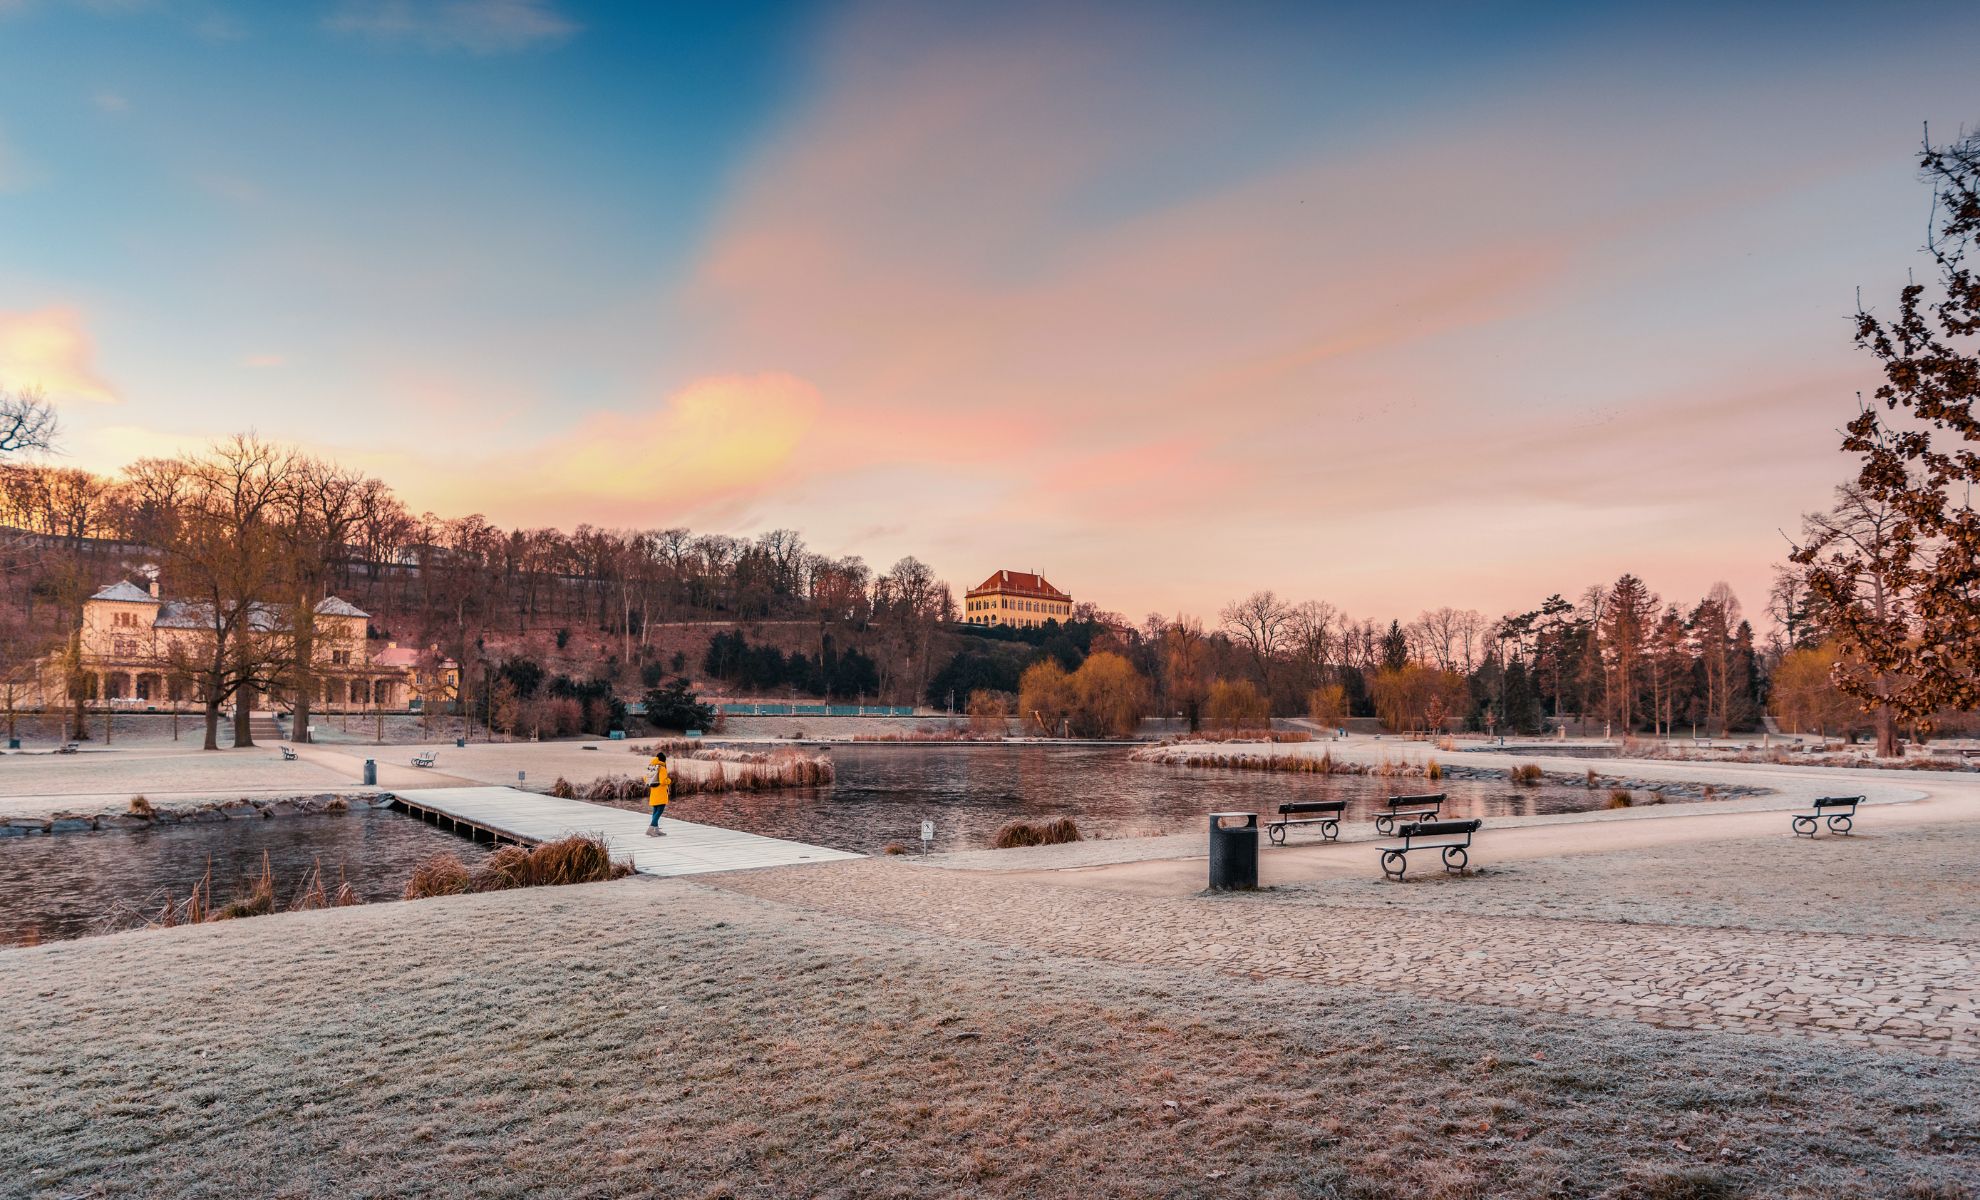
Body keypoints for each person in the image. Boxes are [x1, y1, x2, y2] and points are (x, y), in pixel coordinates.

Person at [645, 752, 671, 837]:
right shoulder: (662, 768)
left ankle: (656, 830)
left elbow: (646, 778)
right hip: (661, 792)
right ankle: (650, 829)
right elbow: (663, 781)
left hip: (654, 792)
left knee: (655, 810)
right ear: (664, 760)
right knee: (660, 810)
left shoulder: (652, 767)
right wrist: (669, 781)